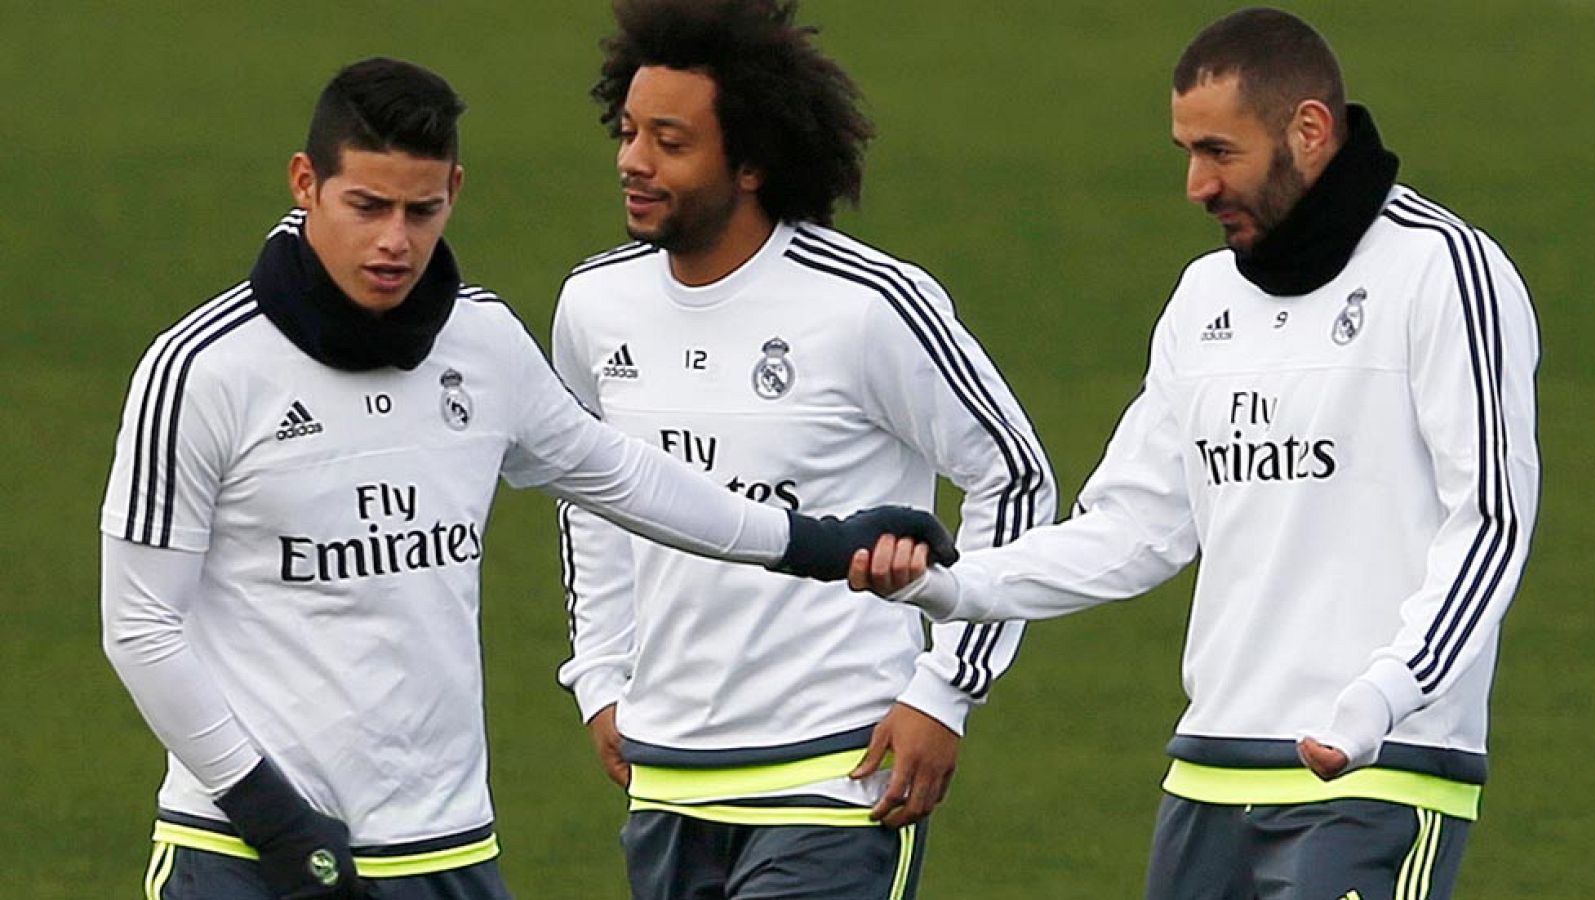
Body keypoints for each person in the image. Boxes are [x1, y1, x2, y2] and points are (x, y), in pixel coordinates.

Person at [99, 57, 954, 900]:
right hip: (246, 853)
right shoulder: (202, 370)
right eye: (367, 206)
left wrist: (819, 544)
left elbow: (622, 477)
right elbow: (139, 626)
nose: (395, 240)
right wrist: (276, 823)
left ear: (455, 193)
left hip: (445, 848)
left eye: (420, 210)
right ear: (304, 183)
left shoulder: (482, 345)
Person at [850, 8, 1539, 899]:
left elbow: (1490, 523)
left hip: (1377, 773)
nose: (1195, 185)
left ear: (1310, 131)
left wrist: (1387, 694)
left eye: (1220, 151)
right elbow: (1134, 527)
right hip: (1210, 775)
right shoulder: (1205, 295)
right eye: (1187, 150)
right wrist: (956, 585)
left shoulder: (1444, 271)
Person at [552, 1, 1056, 897]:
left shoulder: (868, 305)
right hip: (668, 775)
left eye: (671, 142)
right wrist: (599, 674)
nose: (633, 161)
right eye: (628, 132)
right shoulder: (593, 307)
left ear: (750, 163)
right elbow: (590, 496)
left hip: (835, 772)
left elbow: (1013, 477)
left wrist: (948, 687)